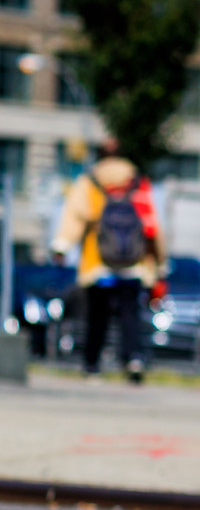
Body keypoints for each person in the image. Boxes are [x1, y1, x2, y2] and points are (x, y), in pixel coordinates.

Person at [50, 140, 166, 383]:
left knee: (97, 315)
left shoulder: (89, 181)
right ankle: (133, 358)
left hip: (98, 263)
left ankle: (92, 364)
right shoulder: (136, 182)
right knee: (130, 314)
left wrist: (61, 245)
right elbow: (151, 225)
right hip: (133, 264)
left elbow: (74, 217)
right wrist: (159, 264)